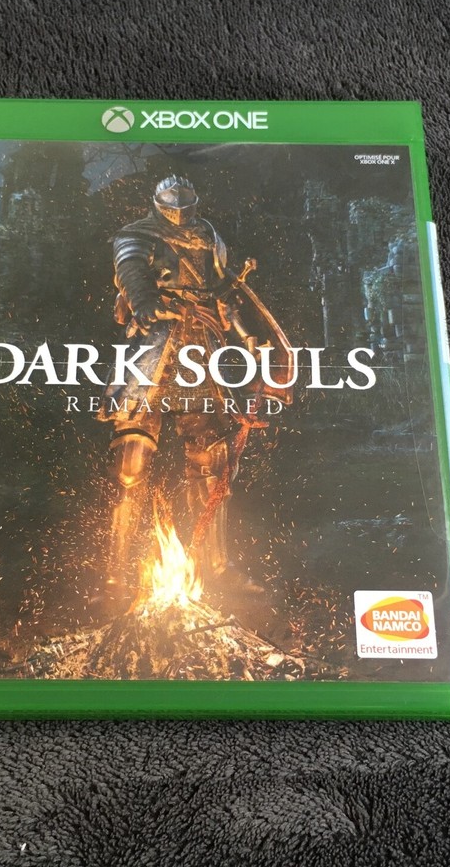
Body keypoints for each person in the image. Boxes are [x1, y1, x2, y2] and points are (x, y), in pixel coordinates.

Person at [97, 175, 294, 591]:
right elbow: (132, 276)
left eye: (185, 209)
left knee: (211, 465)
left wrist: (248, 339)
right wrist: (149, 304)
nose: (180, 216)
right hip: (152, 347)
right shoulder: (137, 235)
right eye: (173, 209)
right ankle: (116, 572)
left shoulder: (208, 236)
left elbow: (223, 292)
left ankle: (216, 567)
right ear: (157, 205)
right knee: (131, 464)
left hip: (202, 349)